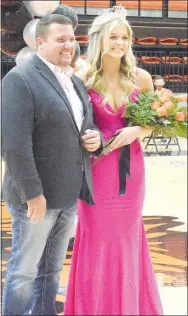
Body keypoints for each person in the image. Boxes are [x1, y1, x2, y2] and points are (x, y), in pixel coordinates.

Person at [64, 6, 163, 315]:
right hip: (95, 172)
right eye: (113, 37)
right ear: (99, 39)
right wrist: (87, 138)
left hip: (131, 173)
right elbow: (71, 126)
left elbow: (155, 121)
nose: (119, 43)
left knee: (127, 237)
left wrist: (138, 129)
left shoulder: (141, 78)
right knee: (96, 239)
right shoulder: (82, 78)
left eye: (125, 37)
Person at [2, 14, 102, 316]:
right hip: (37, 198)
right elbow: (13, 144)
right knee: (24, 271)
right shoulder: (19, 79)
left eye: (72, 39)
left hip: (68, 193)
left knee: (51, 270)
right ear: (40, 42)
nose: (69, 45)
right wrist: (33, 193)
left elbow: (84, 123)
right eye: (61, 39)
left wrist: (93, 136)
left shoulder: (73, 80)